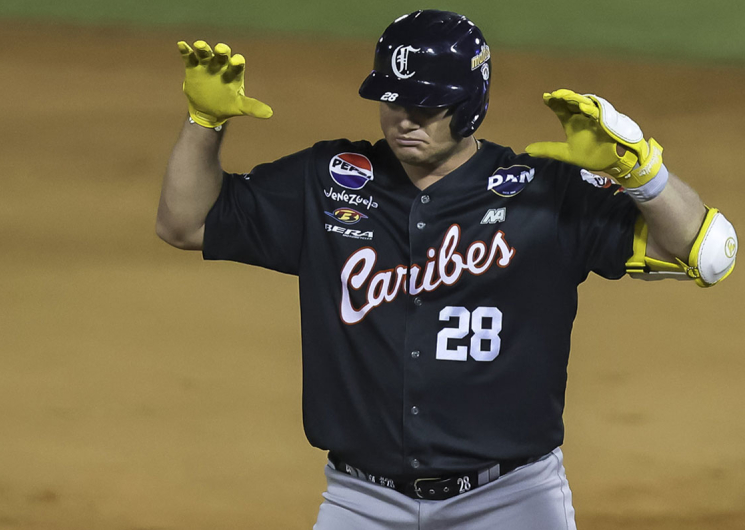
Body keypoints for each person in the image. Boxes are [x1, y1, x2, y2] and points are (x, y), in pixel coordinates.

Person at [156, 10, 737, 530]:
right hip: (361, 501)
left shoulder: (542, 194)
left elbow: (707, 255)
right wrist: (204, 122)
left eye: (425, 106)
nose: (404, 120)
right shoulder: (329, 180)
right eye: (392, 100)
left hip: (510, 501)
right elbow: (185, 224)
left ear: (470, 104)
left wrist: (642, 175)